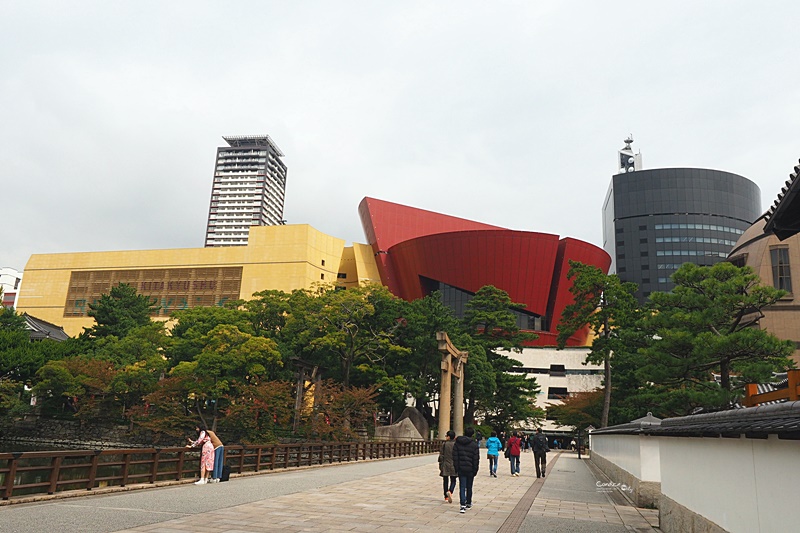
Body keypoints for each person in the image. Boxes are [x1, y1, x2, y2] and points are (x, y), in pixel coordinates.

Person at [453, 427, 480, 514]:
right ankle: (468, 502)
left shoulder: (458, 443)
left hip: (461, 467)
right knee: (469, 486)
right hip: (470, 468)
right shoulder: (474, 445)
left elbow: (455, 456)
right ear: (472, 434)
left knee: (462, 486)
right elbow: (476, 459)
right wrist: (475, 469)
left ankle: (462, 505)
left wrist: (456, 467)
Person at [438, 430, 457, 503]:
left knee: (445, 480)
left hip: (445, 464)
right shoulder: (456, 445)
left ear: (449, 437)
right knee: (453, 480)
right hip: (454, 464)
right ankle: (450, 491)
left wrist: (440, 464)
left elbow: (441, 455)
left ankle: (446, 496)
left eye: (446, 436)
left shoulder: (444, 444)